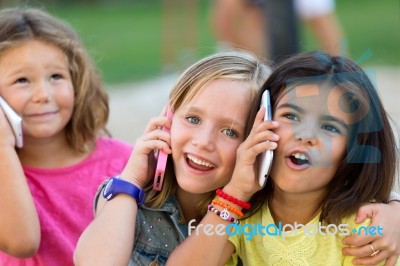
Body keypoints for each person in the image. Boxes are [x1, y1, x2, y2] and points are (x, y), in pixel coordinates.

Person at [167, 51, 400, 265]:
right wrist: (235, 193)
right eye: (291, 115)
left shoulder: (366, 229)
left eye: (330, 127)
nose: (306, 136)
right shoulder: (242, 215)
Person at [74, 51, 271, 265]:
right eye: (193, 118)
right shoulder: (125, 195)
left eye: (230, 132)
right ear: (167, 118)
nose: (203, 141)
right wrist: (132, 178)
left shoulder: (257, 219)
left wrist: (234, 196)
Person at [0, 7, 132, 265]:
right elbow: (22, 242)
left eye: (56, 77)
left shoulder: (124, 163)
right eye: (22, 81)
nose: (43, 94)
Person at [210, 0, 344, 60]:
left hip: (285, 56)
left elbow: (326, 30)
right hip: (241, 58)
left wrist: (339, 72)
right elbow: (227, 24)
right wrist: (259, 67)